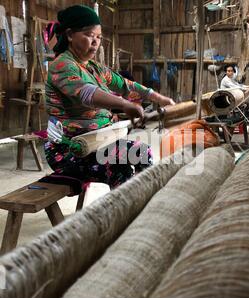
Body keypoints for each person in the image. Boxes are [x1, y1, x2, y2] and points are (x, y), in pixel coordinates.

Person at [44, 5, 175, 189]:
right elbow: (86, 93)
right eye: (89, 35)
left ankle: (138, 205)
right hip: (70, 150)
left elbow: (124, 84)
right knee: (124, 165)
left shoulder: (94, 68)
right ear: (70, 35)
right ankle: (129, 210)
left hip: (97, 143)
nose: (95, 42)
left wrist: (159, 99)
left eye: (98, 37)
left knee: (139, 155)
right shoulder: (62, 66)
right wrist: (124, 105)